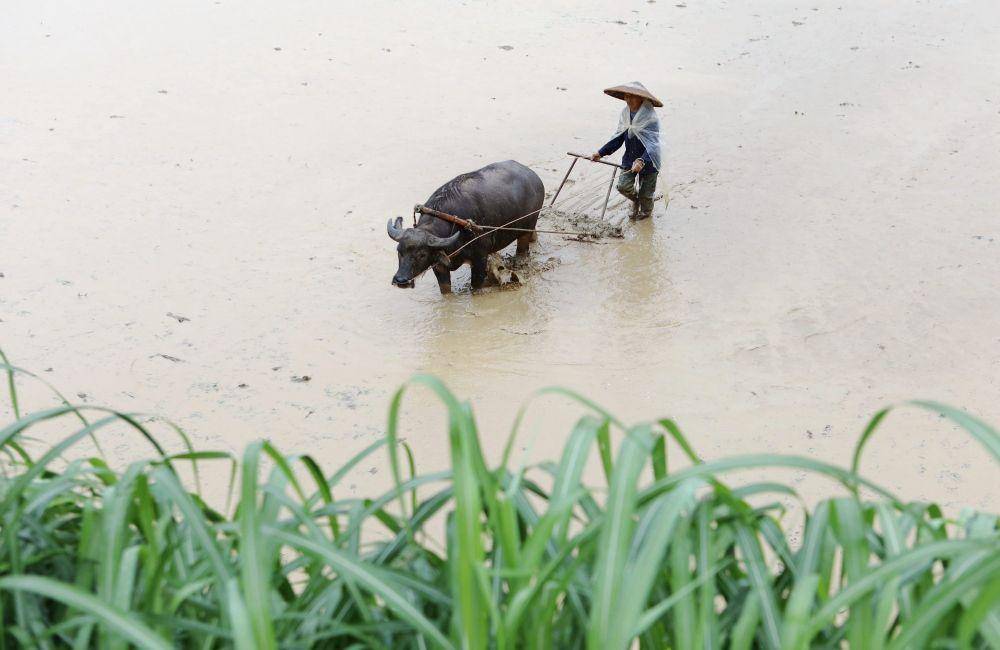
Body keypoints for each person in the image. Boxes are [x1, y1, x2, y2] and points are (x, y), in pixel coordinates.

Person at [591, 81, 663, 220]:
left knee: (646, 195)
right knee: (623, 186)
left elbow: (653, 145)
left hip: (649, 160)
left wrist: (642, 161)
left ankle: (646, 212)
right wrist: (600, 153)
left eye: (632, 96)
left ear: (642, 99)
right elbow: (618, 138)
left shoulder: (651, 119)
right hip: (630, 158)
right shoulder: (625, 115)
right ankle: (637, 201)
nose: (628, 100)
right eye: (626, 96)